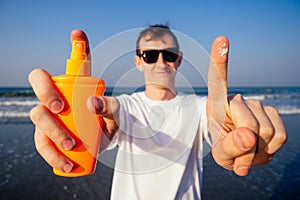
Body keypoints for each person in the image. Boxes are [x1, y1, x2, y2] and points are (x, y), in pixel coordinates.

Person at [28, 25, 287, 200]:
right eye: (150, 55)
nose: (161, 62)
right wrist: (68, 123)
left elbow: (217, 126)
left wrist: (235, 134)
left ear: (179, 59)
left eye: (169, 54)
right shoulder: (123, 107)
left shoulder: (200, 108)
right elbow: (97, 140)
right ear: (138, 61)